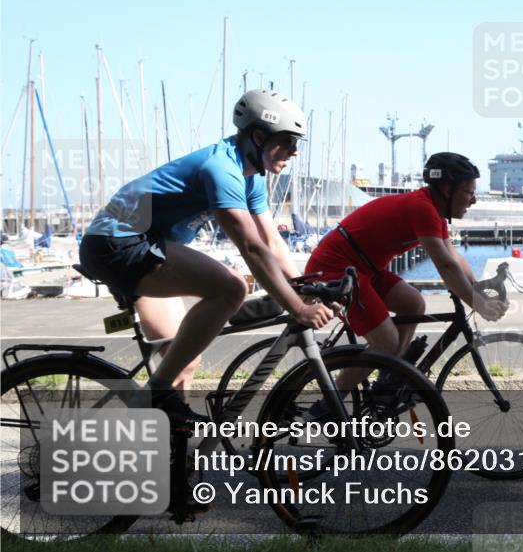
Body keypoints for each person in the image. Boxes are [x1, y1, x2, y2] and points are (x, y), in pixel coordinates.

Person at [79, 89, 334, 423]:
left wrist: (307, 287)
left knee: (183, 357)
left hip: (144, 244)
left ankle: (170, 454)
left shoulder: (250, 176)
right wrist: (298, 307)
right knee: (230, 288)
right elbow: (252, 249)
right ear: (259, 137)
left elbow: (271, 241)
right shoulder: (221, 169)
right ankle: (154, 396)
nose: (295, 151)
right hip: (116, 242)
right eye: (288, 142)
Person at [304, 152, 508, 391]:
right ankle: (329, 405)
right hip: (336, 268)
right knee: (385, 341)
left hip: (364, 267)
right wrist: (478, 304)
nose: (473, 200)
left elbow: (454, 258)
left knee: (413, 303)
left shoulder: (435, 214)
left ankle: (388, 379)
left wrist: (478, 290)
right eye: (469, 192)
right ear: (446, 189)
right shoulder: (421, 208)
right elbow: (445, 266)